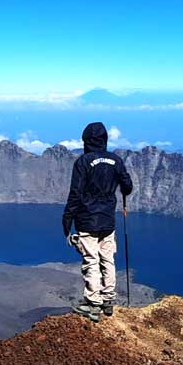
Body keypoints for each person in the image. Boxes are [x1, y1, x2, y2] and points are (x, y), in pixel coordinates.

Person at [62, 122, 134, 322]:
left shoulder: (83, 162)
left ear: (86, 141)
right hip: (107, 221)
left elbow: (75, 194)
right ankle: (108, 300)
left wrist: (66, 220)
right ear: (104, 140)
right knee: (108, 259)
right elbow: (127, 186)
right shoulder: (116, 160)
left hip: (86, 221)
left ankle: (93, 303)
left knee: (91, 261)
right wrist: (122, 190)